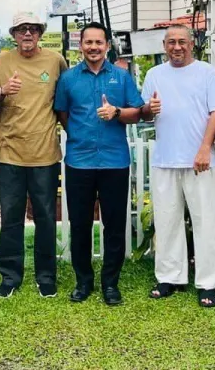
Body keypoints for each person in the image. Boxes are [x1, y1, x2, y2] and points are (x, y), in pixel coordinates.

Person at [54, 22, 144, 306]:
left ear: (107, 45)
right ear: (81, 45)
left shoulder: (121, 77)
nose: (93, 47)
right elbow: (63, 114)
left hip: (114, 161)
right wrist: (80, 134)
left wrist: (116, 112)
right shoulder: (68, 79)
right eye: (88, 42)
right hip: (79, 161)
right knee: (80, 224)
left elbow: (138, 113)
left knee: (114, 225)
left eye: (99, 42)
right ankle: (83, 281)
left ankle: (110, 283)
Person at [140, 24, 215, 308]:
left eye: (182, 42)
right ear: (164, 45)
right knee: (166, 221)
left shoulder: (207, 73)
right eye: (171, 42)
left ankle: (208, 282)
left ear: (192, 44)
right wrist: (147, 111)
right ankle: (170, 277)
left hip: (199, 160)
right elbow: (147, 113)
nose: (177, 47)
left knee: (205, 221)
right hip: (165, 158)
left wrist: (204, 147)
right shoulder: (154, 74)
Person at [0, 11, 68, 299]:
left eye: (33, 29)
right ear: (14, 34)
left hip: (45, 152)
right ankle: (10, 276)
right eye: (22, 29)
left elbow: (66, 98)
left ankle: (46, 277)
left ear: (41, 33)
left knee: (46, 216)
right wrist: (3, 90)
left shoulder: (55, 61)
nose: (28, 34)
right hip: (10, 152)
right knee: (11, 217)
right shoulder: (3, 60)